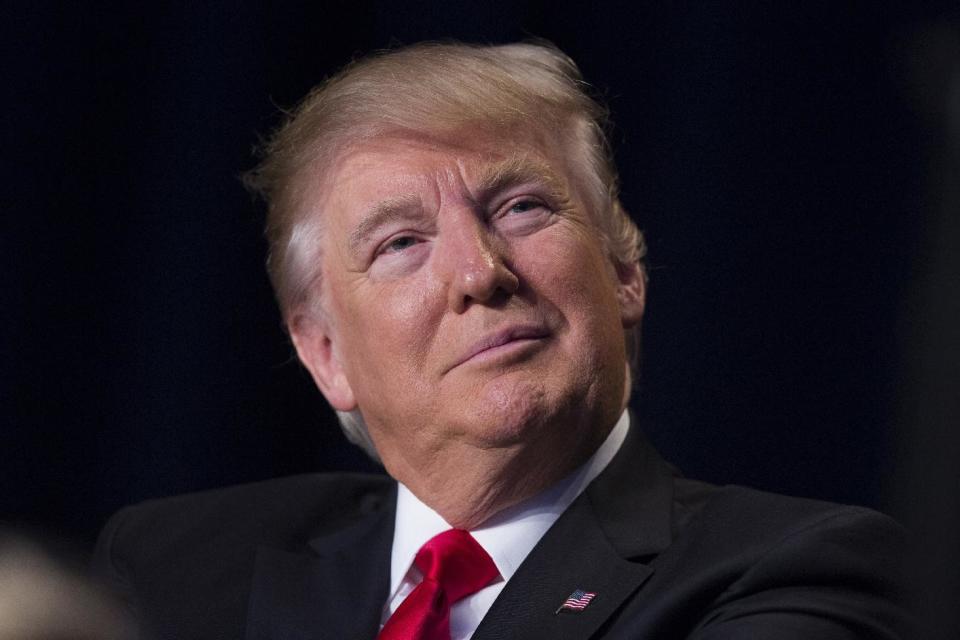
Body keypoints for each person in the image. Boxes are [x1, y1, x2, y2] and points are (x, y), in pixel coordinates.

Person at [93, 41, 909, 639]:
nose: (478, 272)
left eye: (521, 207)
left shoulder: (794, 571)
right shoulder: (174, 563)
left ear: (626, 274)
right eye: (400, 243)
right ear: (326, 355)